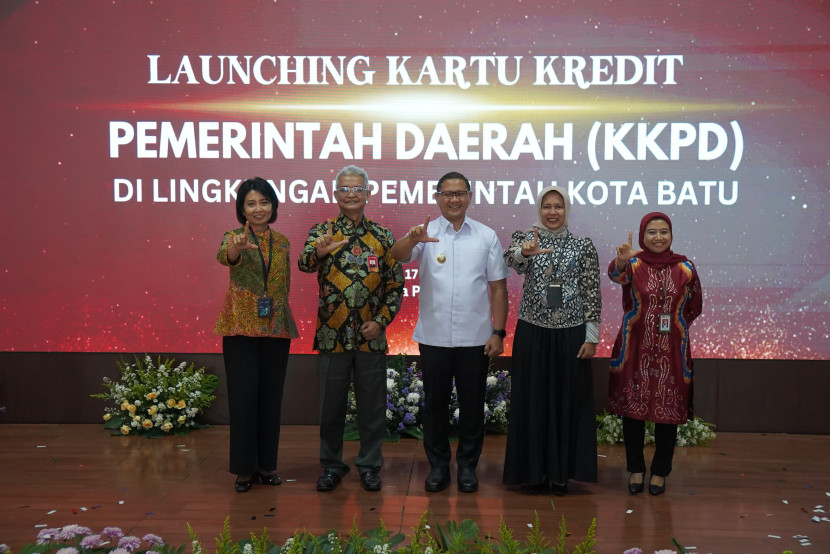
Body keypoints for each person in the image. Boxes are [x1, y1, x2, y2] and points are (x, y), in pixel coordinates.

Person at [390, 171, 509, 493]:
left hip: (476, 337)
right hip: (434, 336)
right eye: (447, 193)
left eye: (460, 193)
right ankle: (439, 466)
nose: (454, 199)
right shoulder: (424, 233)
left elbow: (498, 288)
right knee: (435, 406)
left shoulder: (486, 236)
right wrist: (412, 239)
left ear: (469, 197)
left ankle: (468, 467)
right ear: (438, 197)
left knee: (472, 406)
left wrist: (498, 331)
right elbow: (397, 256)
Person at [298, 165, 404, 493]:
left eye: (357, 188)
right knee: (331, 408)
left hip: (370, 337)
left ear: (368, 193)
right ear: (335, 194)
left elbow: (395, 285)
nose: (351, 194)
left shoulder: (383, 236)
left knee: (372, 409)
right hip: (332, 335)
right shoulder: (323, 231)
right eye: (345, 188)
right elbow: (304, 263)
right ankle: (332, 466)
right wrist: (318, 251)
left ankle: (370, 466)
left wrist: (381, 322)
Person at [501, 185, 601, 495]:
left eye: (558, 206)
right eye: (547, 206)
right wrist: (524, 252)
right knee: (533, 401)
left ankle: (561, 475)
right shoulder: (526, 238)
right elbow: (510, 261)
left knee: (566, 403)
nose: (553, 212)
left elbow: (591, 290)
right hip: (533, 332)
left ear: (567, 209)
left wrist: (592, 336)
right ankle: (534, 473)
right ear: (539, 209)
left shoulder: (582, 245)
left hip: (571, 335)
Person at [608, 212, 703, 496]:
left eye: (664, 231)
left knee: (668, 412)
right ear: (642, 235)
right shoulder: (633, 264)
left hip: (672, 348)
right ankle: (636, 469)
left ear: (671, 235)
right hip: (634, 346)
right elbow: (615, 274)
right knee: (632, 413)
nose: (658, 237)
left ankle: (660, 472)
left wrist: (672, 328)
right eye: (652, 232)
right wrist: (622, 260)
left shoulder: (685, 267)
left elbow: (694, 305)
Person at [215, 177, 299, 492]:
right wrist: (236, 250)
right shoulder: (232, 237)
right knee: (243, 400)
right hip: (239, 329)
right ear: (242, 209)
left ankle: (266, 466)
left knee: (270, 400)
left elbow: (284, 284)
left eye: (264, 202)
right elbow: (227, 256)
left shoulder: (283, 242)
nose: (258, 208)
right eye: (251, 203)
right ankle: (243, 470)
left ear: (273, 206)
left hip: (276, 329)